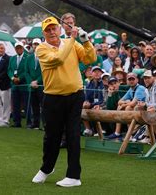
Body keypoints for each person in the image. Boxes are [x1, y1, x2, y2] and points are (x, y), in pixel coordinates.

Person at [31, 17, 95, 187]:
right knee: (52, 137)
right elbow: (58, 59)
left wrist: (86, 41)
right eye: (48, 30)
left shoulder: (71, 43)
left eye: (54, 29)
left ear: (59, 30)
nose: (52, 32)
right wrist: (73, 38)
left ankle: (74, 176)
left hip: (75, 95)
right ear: (43, 33)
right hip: (53, 97)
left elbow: (90, 59)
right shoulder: (42, 49)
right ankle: (47, 168)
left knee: (73, 135)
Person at [106, 72, 146, 140]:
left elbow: (133, 103)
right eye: (129, 79)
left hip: (145, 109)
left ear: (137, 80)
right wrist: (110, 94)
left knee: (128, 107)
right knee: (121, 107)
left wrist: (125, 104)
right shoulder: (131, 89)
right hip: (130, 112)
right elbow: (116, 103)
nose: (131, 81)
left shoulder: (140, 88)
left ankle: (130, 134)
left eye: (133, 79)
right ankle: (117, 133)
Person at [8, 42, 28, 127]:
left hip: (23, 85)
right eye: (17, 48)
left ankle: (29, 122)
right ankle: (17, 122)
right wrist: (12, 77)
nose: (18, 49)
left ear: (23, 48)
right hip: (14, 85)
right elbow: (9, 70)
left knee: (26, 104)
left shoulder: (27, 57)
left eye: (20, 48)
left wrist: (20, 78)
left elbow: (26, 70)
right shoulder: (12, 58)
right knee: (15, 104)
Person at [25, 38, 43, 129]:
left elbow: (45, 71)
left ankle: (44, 124)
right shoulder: (29, 58)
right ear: (32, 46)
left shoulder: (44, 57)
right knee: (34, 105)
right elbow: (26, 72)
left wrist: (37, 81)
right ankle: (35, 123)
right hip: (32, 86)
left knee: (43, 106)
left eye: (38, 44)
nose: (36, 46)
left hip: (41, 86)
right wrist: (31, 82)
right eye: (34, 44)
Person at [82, 66, 104, 136]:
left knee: (96, 108)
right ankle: (88, 129)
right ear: (92, 73)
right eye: (95, 72)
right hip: (92, 104)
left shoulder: (103, 83)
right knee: (83, 106)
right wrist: (86, 102)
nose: (97, 73)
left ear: (101, 73)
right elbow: (87, 97)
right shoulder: (89, 84)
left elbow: (102, 100)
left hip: (101, 105)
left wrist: (91, 104)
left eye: (99, 72)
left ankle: (99, 130)